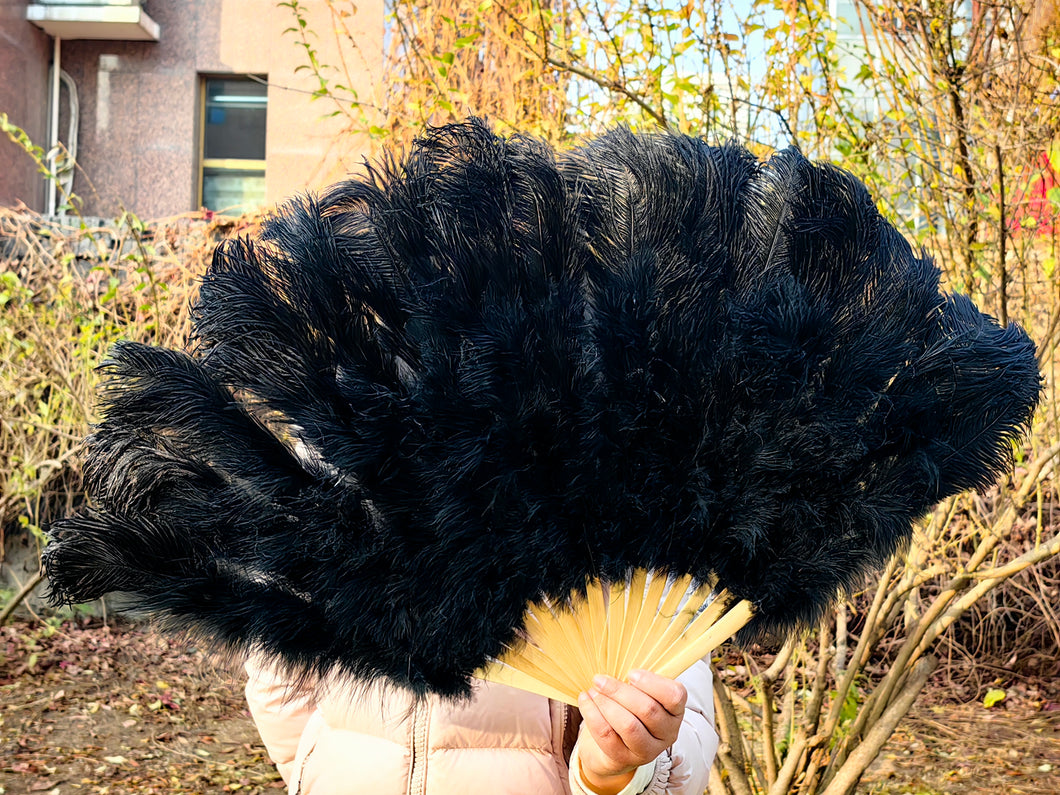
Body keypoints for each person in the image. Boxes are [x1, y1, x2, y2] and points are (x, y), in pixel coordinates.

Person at [244, 653, 719, 795]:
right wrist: (312, 772)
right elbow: (278, 670)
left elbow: (686, 723)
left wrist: (615, 774)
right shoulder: (330, 452)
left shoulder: (632, 474)